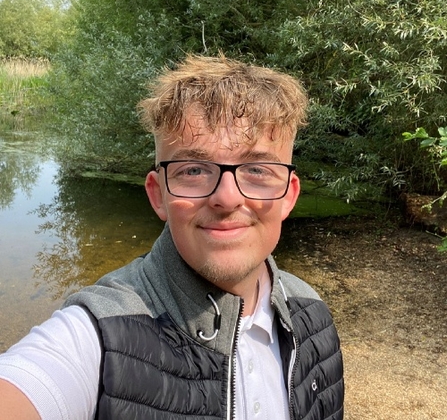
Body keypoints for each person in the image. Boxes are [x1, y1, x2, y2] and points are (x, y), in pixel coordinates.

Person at [0, 55, 344, 419]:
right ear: (157, 194)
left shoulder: (313, 314)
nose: (226, 198)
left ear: (289, 194)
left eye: (257, 169)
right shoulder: (101, 335)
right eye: (193, 170)